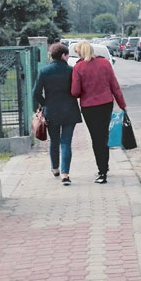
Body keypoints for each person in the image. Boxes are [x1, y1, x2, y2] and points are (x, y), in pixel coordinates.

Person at [71, 40, 126, 184]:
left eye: (77, 52)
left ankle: (102, 171)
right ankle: (104, 167)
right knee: (104, 136)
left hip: (89, 107)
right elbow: (115, 86)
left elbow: (75, 91)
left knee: (96, 138)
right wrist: (122, 104)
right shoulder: (105, 64)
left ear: (81, 52)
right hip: (106, 104)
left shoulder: (79, 67)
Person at [32, 43, 82, 186]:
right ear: (63, 55)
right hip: (69, 111)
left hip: (51, 111)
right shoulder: (71, 71)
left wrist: (45, 103)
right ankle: (65, 174)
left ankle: (55, 168)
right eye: (67, 55)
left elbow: (35, 93)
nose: (68, 58)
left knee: (54, 141)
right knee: (66, 142)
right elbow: (76, 90)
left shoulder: (44, 71)